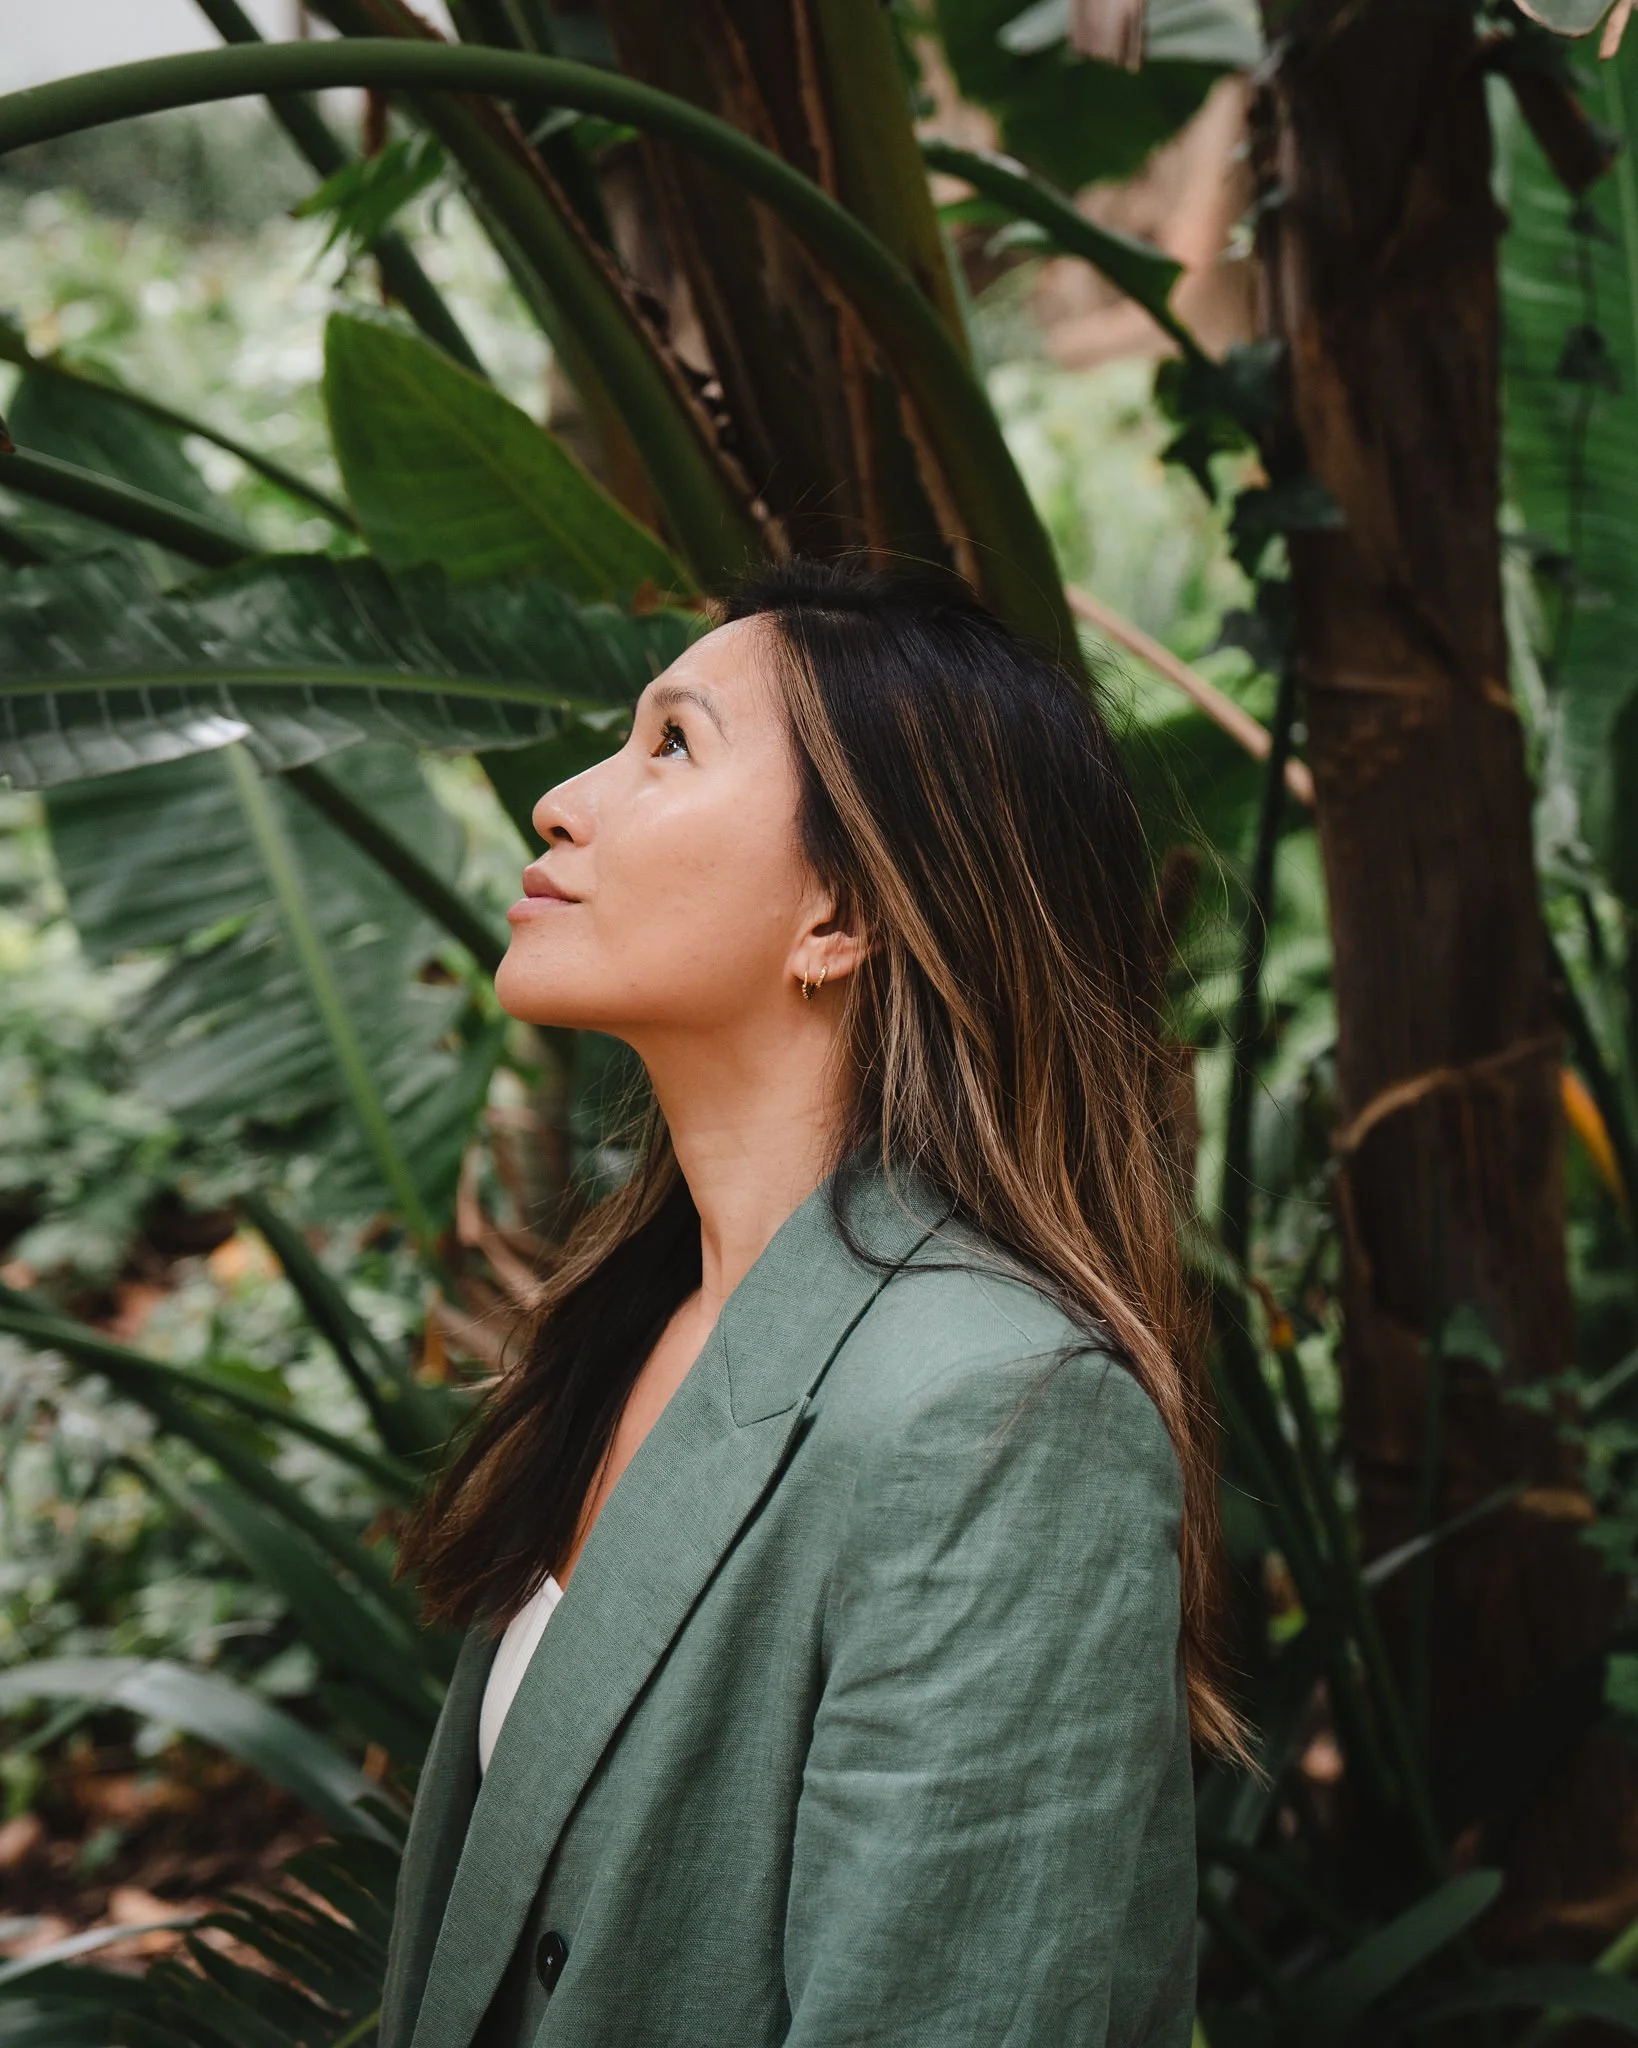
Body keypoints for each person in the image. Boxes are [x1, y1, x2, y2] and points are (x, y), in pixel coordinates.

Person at [381, 556, 1238, 2048]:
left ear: (837, 915)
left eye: (671, 745)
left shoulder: (995, 1408)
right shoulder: (639, 1325)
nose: (563, 800)